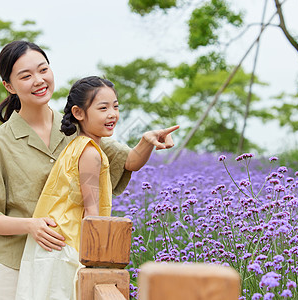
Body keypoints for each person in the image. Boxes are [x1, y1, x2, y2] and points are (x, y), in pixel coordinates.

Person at [0, 40, 178, 300]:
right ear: (9, 86)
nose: (38, 80)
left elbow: (128, 161)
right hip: (12, 267)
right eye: (26, 75)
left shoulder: (75, 127)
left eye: (43, 70)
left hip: (62, 266)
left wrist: (146, 142)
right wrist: (31, 225)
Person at [14, 76, 179, 299]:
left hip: (55, 245)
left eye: (115, 106)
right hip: (67, 246)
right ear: (79, 113)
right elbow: (93, 214)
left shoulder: (78, 145)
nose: (112, 114)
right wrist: (97, 263)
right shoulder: (90, 152)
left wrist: (148, 140)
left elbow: (131, 162)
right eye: (103, 108)